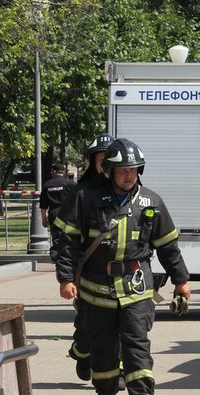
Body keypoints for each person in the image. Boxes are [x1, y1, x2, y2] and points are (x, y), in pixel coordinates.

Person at [53, 138, 190, 395]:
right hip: (95, 290)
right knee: (103, 346)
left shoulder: (152, 201)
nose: (130, 174)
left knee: (136, 341)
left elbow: (168, 246)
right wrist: (66, 278)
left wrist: (180, 280)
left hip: (137, 288)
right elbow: (67, 241)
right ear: (109, 171)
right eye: (123, 170)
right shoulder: (85, 197)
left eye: (134, 169)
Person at [63, 133, 114, 382]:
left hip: (120, 280)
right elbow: (64, 238)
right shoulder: (81, 193)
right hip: (86, 275)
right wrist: (66, 276)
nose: (106, 165)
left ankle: (118, 373)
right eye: (102, 159)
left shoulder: (129, 194)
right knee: (86, 327)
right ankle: (82, 353)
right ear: (93, 162)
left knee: (123, 329)